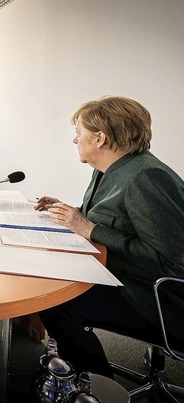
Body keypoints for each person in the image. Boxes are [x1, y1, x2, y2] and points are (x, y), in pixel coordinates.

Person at [35, 96, 184, 378]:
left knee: (57, 303)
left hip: (160, 301)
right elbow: (110, 219)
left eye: (79, 132)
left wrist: (89, 229)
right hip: (125, 278)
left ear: (100, 138)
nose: (74, 139)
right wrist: (70, 213)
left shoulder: (146, 177)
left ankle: (96, 388)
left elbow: (171, 264)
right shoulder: (109, 169)